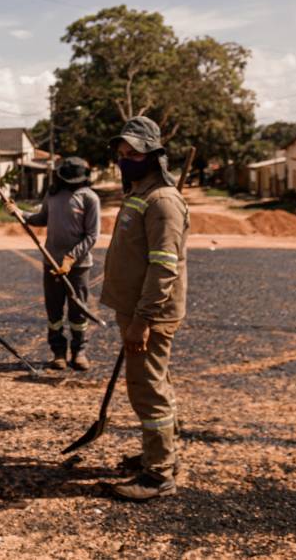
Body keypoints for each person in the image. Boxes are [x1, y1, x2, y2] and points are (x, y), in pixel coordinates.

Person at [99, 116, 189, 501]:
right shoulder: (140, 192)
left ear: (153, 155)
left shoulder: (163, 201)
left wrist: (142, 320)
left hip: (149, 314)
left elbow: (164, 266)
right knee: (157, 384)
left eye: (132, 152)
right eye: (121, 153)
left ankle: (158, 475)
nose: (125, 159)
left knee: (147, 390)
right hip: (136, 310)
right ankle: (161, 455)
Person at [8, 157, 100, 371]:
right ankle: (58, 352)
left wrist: (70, 258)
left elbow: (92, 236)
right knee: (54, 311)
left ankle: (79, 351)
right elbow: (41, 218)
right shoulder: (53, 195)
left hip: (78, 266)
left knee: (78, 311)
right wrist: (20, 213)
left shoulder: (90, 199)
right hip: (51, 262)